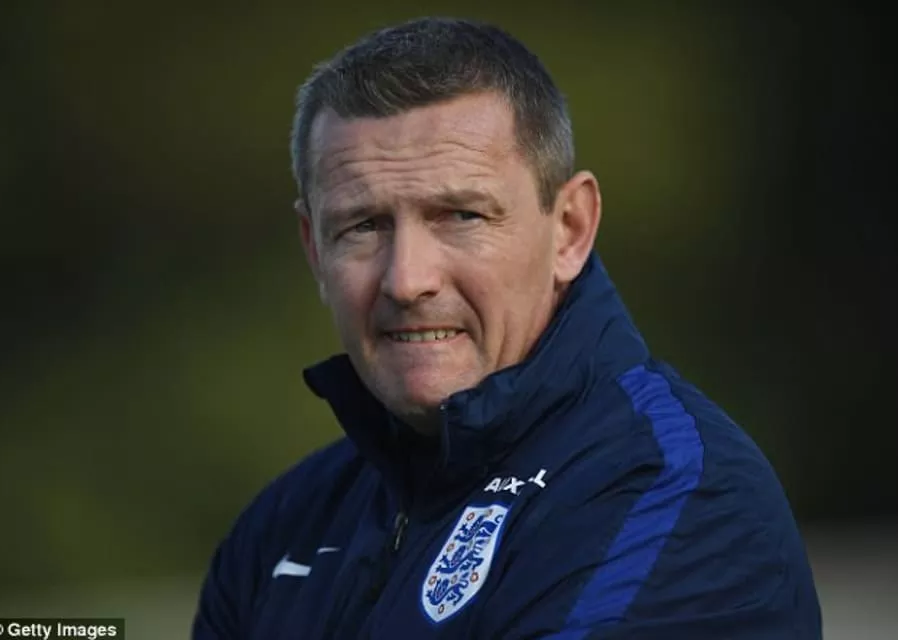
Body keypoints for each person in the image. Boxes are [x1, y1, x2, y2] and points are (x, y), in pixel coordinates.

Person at [192, 17, 822, 639]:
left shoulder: (678, 498)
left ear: (570, 229)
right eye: (363, 226)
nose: (407, 280)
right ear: (314, 249)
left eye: (461, 215)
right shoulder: (282, 529)